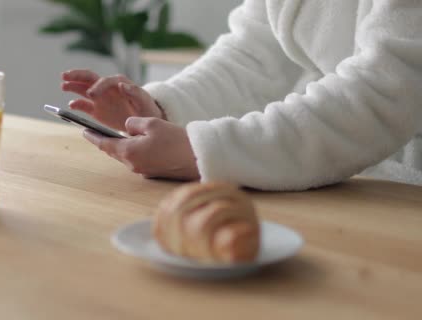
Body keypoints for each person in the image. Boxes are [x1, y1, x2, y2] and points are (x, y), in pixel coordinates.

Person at [60, 0, 422, 191]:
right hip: (350, 182)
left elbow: (389, 85)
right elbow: (253, 54)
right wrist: (162, 109)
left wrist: (202, 152)